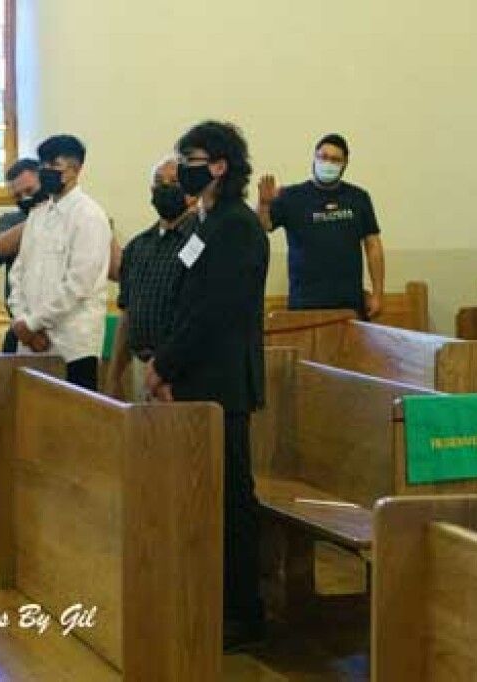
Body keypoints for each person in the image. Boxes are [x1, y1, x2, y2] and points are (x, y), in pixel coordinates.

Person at [143, 121, 268, 651]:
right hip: (194, 374)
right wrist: (168, 363)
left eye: (190, 157)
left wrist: (165, 365)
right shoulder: (205, 222)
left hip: (220, 381)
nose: (182, 166)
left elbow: (216, 311)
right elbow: (183, 297)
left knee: (231, 496)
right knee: (202, 494)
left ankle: (243, 612)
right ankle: (208, 598)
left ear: (219, 165)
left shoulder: (237, 226)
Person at [8, 134, 112, 390]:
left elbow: (78, 284)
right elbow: (18, 273)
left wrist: (34, 323)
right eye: (42, 167)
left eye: (54, 167)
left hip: (72, 346)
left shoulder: (89, 216)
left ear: (75, 170)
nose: (46, 173)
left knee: (74, 425)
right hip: (30, 344)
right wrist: (22, 320)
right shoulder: (38, 215)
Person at [257, 134, 385, 320]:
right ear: (314, 159)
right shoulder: (291, 196)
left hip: (349, 304)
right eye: (323, 157)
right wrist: (264, 204)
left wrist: (378, 293)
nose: (328, 163)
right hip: (305, 303)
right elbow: (264, 226)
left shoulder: (359, 198)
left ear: (345, 164)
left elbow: (373, 245)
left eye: (335, 159)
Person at [105, 156, 196, 400]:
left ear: (192, 192)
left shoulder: (202, 240)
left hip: (184, 371)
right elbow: (127, 313)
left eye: (174, 182)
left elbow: (198, 314)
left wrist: (167, 368)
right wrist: (113, 377)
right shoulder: (138, 247)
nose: (165, 187)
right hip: (140, 366)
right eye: (159, 182)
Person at [0, 158, 44, 353]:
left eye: (29, 191)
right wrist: (38, 218)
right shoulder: (10, 220)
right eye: (17, 196)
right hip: (19, 324)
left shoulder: (68, 217)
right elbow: (0, 247)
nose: (24, 199)